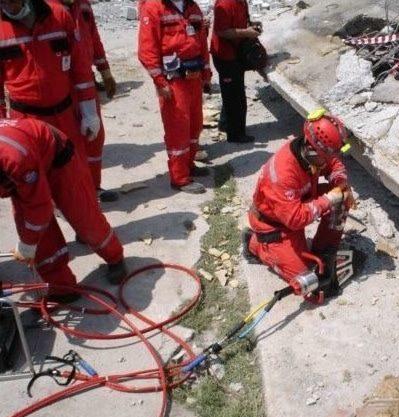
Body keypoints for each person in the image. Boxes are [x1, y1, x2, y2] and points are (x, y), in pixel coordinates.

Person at [0, 118, 126, 301]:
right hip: (20, 169)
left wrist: (27, 246)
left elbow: (40, 207)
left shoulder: (16, 157)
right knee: (38, 237)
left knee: (84, 217)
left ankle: (115, 257)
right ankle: (62, 288)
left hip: (57, 159)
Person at [246, 109, 354, 300]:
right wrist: (329, 199)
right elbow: (296, 219)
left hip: (295, 206)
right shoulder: (283, 174)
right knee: (311, 282)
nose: (330, 160)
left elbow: (335, 164)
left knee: (343, 197)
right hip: (275, 226)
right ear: (313, 150)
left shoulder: (312, 152)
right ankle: (255, 245)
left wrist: (341, 185)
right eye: (326, 157)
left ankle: (324, 250)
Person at [0, 0, 101, 176]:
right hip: (25, 120)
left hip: (64, 116)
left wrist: (89, 111)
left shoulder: (59, 16)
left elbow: (80, 68)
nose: (8, 6)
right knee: (35, 181)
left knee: (75, 175)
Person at [138, 0, 212, 194]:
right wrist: (159, 81)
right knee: (178, 128)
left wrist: (206, 74)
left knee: (195, 125)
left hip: (193, 78)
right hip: (173, 81)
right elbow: (147, 49)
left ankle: (189, 165)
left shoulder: (193, 8)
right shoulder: (154, 8)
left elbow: (201, 42)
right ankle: (179, 178)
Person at [57, 0, 119, 202]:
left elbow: (93, 37)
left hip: (86, 82)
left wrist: (105, 71)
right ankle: (65, 199)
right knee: (66, 145)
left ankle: (93, 189)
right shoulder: (45, 10)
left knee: (94, 136)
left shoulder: (82, 5)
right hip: (60, 88)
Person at [210, 0, 260, 143]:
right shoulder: (225, 4)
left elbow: (239, 22)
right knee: (235, 97)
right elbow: (222, 31)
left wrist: (251, 27)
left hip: (235, 54)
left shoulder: (241, 2)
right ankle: (236, 135)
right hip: (225, 56)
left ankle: (226, 124)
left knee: (232, 92)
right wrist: (247, 33)